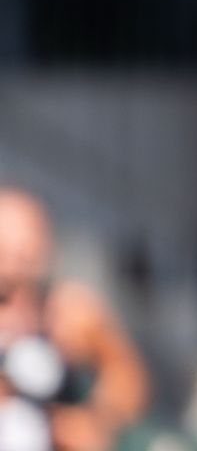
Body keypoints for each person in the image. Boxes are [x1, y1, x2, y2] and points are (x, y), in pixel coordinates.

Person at [0, 189, 148, 451]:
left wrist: (96, 420)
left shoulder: (67, 311)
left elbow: (127, 376)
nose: (16, 253)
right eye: (6, 238)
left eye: (27, 239)